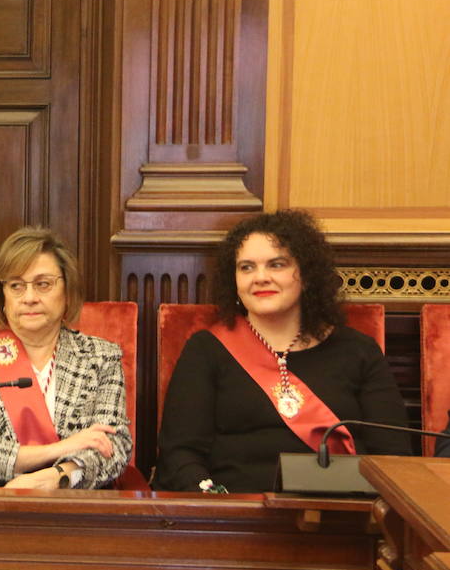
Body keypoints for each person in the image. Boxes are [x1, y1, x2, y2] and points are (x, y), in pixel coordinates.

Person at [156, 209, 411, 493]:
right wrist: (213, 500)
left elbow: (393, 457)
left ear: (307, 274)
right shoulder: (206, 350)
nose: (260, 277)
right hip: (235, 518)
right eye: (246, 267)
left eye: (276, 265)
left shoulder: (358, 351)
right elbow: (179, 456)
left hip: (341, 518)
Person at [0, 227, 132, 489]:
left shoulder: (100, 358)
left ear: (67, 290)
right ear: (2, 296)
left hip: (75, 509)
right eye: (16, 285)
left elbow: (114, 446)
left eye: (43, 284)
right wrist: (60, 449)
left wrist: (59, 476)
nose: (29, 298)